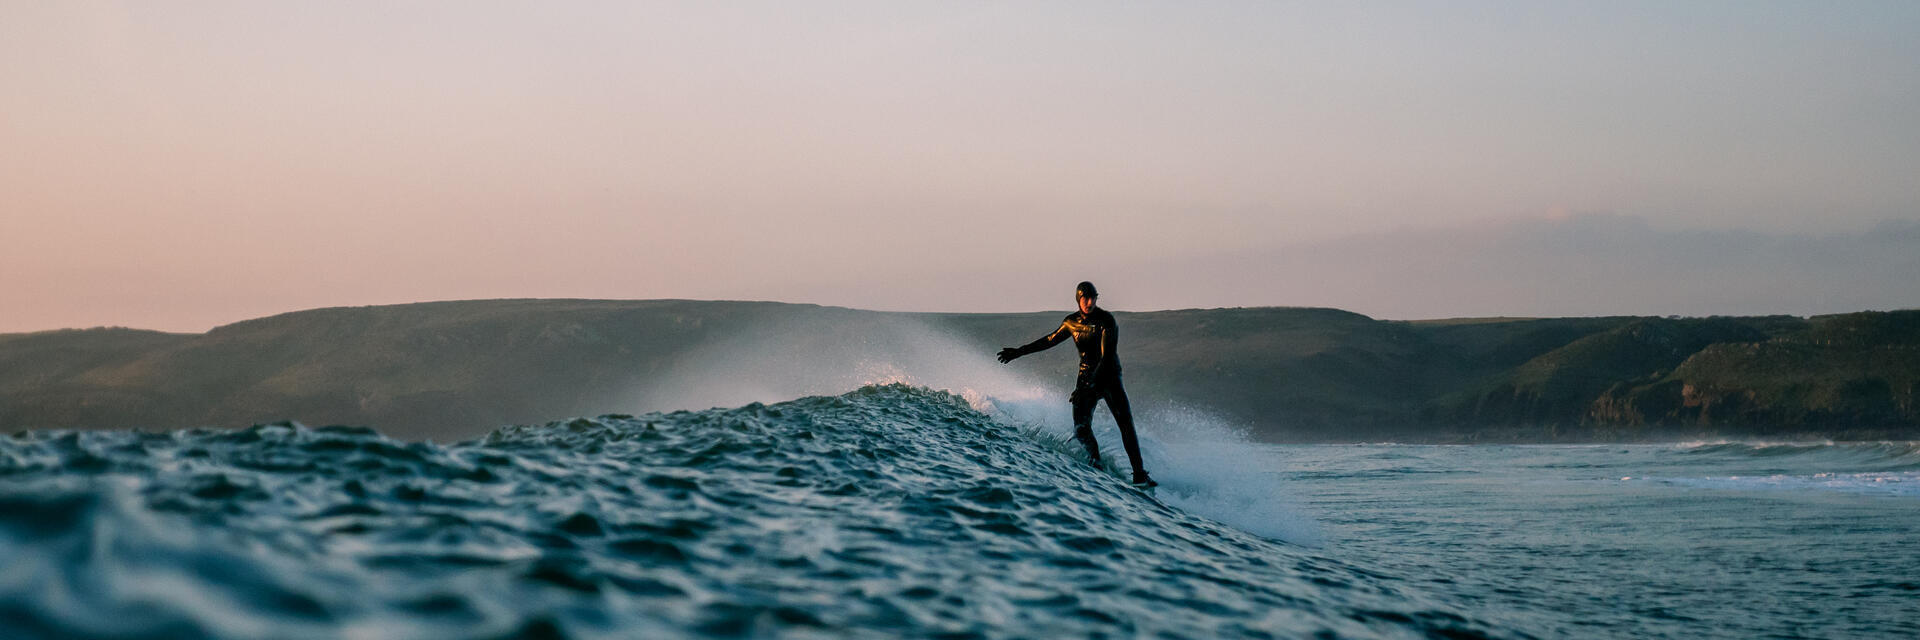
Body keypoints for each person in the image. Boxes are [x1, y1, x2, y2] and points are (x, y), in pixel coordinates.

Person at [997, 281, 1156, 488]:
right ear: (1078, 299)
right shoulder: (1071, 322)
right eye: (1085, 299)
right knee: (1081, 429)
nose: (1089, 303)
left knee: (1125, 424)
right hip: (1085, 377)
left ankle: (1139, 475)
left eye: (1093, 298)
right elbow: (1049, 340)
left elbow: (1106, 357)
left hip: (1109, 377)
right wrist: (1018, 352)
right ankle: (1096, 465)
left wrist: (1086, 387)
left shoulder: (1106, 321)